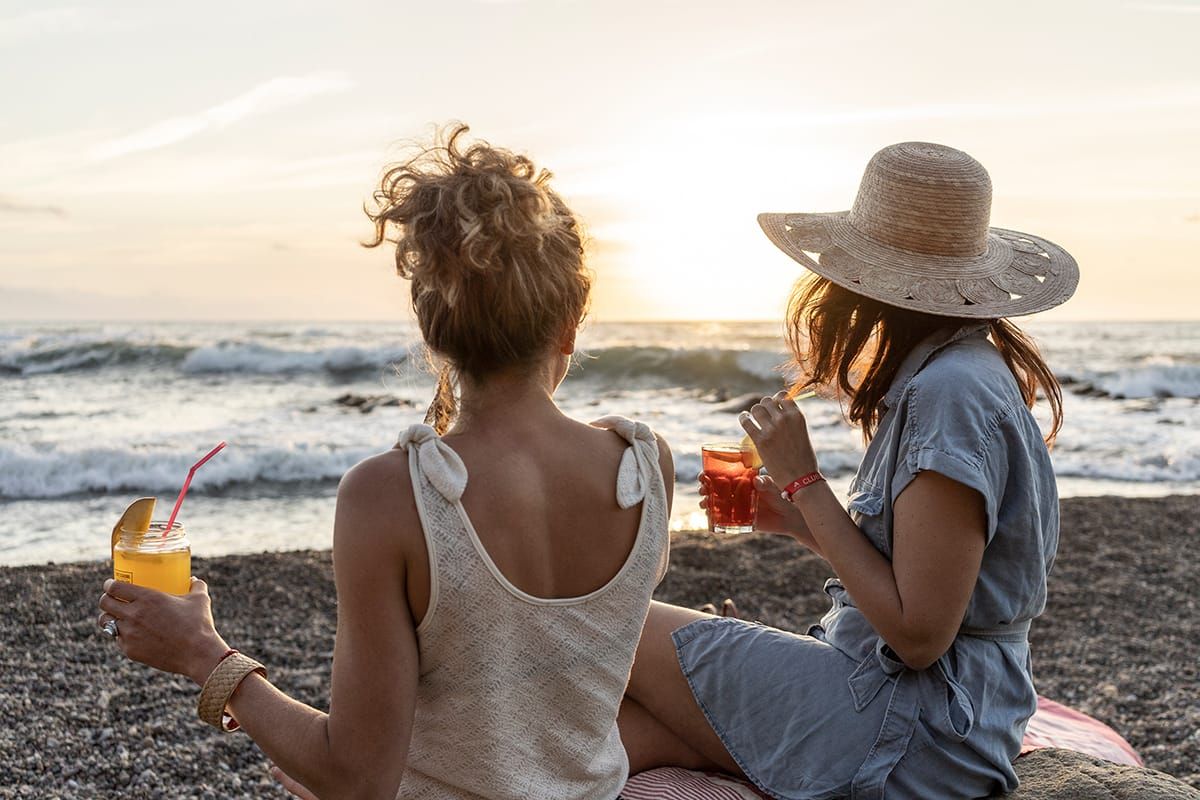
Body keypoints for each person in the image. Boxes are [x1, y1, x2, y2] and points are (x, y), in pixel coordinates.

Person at [97, 125, 673, 800]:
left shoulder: (391, 497)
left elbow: (358, 777)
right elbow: (547, 676)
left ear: (430, 327)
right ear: (572, 322)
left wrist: (203, 653)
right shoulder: (645, 468)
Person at [619, 142, 1078, 799]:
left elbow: (919, 635)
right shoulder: (955, 372)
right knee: (633, 722)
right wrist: (794, 517)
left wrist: (805, 482)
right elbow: (925, 577)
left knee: (614, 621)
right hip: (919, 710)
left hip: (913, 728)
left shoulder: (950, 393)